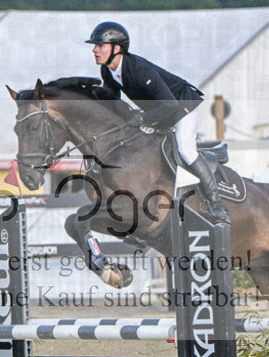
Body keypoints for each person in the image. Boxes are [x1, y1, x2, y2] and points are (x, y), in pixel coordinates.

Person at [85, 21, 228, 223]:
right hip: (159, 112)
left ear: (117, 48)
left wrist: (142, 118)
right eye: (96, 46)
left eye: (100, 45)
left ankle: (218, 206)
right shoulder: (108, 71)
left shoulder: (139, 69)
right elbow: (112, 102)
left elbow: (170, 105)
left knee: (186, 150)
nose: (94, 50)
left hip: (181, 106)